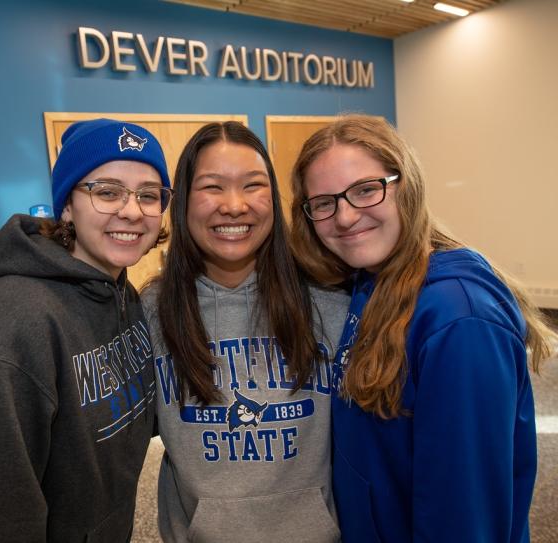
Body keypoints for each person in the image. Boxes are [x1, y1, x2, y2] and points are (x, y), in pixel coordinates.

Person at [290, 113, 557, 543]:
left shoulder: (459, 322)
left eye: (365, 190)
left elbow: (463, 515)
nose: (344, 217)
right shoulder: (369, 281)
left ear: (406, 186)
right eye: (324, 203)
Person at [0, 118, 173, 542]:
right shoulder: (14, 324)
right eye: (107, 191)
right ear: (67, 205)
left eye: (149, 195)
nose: (132, 210)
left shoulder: (120, 293)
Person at [141, 121, 348, 543]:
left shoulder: (331, 302)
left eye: (252, 185)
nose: (234, 206)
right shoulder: (150, 312)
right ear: (181, 203)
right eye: (212, 187)